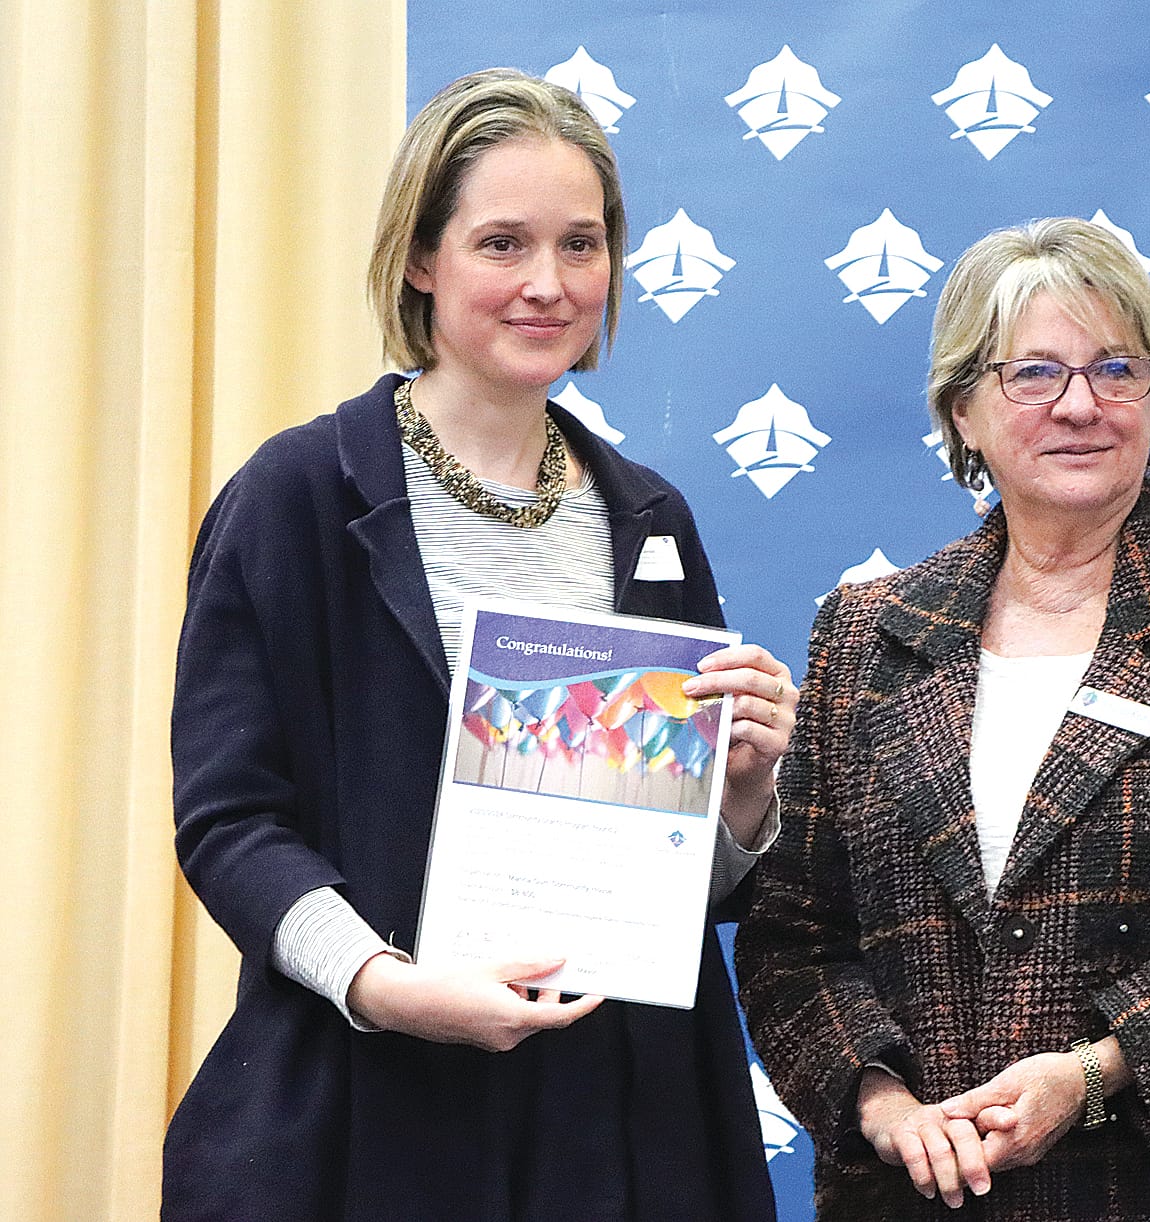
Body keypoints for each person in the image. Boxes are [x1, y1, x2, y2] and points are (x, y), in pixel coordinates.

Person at [165, 68, 793, 1221]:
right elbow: (229, 821)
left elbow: (673, 882)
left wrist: (743, 797)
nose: (549, 285)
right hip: (369, 1112)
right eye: (502, 243)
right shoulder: (293, 497)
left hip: (618, 1128)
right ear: (422, 258)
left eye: (581, 245)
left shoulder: (651, 521)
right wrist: (384, 984)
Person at [734, 217, 1150, 1220]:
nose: (1081, 404)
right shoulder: (867, 635)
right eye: (1035, 373)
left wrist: (1095, 1071)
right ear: (964, 409)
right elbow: (794, 940)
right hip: (927, 1196)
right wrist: (878, 1102)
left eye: (1116, 369)